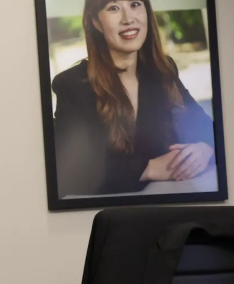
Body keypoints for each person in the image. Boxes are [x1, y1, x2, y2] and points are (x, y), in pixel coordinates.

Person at [52, 0, 216, 198]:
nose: (128, 18)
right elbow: (71, 171)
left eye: (135, 4)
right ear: (96, 22)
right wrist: (147, 168)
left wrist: (204, 149)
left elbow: (209, 129)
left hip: (172, 204)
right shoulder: (71, 84)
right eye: (113, 8)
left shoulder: (163, 70)